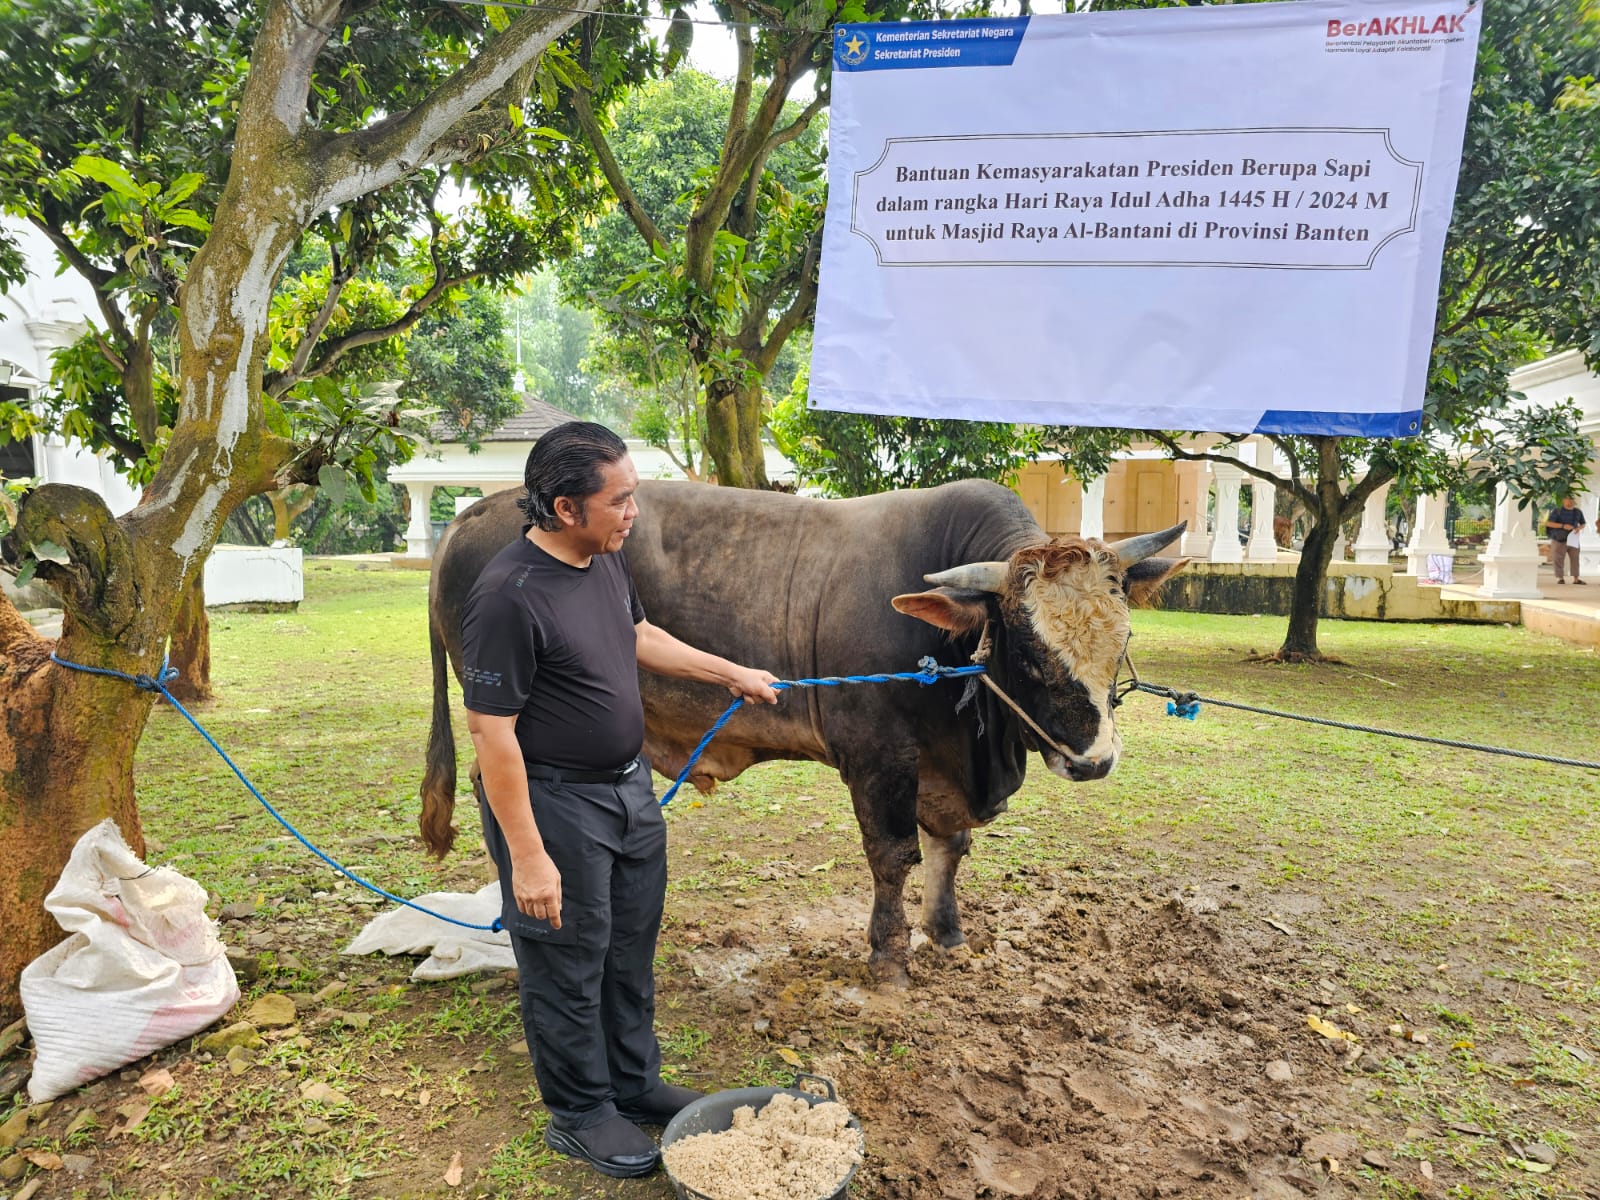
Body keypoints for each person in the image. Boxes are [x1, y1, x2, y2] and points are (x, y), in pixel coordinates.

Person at [459, 422, 779, 1178]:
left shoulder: (602, 558)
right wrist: (529, 857)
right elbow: (490, 732)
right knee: (567, 962)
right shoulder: (507, 596)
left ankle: (632, 1082)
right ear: (567, 508)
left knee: (627, 950)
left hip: (628, 793)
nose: (633, 512)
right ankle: (580, 1112)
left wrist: (728, 671)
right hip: (554, 804)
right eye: (620, 500)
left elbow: (639, 633)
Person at [1544, 494, 1587, 585]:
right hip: (1559, 539)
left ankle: (1576, 579)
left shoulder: (1577, 512)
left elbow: (1583, 523)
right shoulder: (1557, 511)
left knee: (1575, 559)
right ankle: (1560, 578)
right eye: (1568, 499)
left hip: (1573, 539)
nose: (1570, 501)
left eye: (1571, 499)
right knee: (1558, 559)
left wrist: (1579, 528)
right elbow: (1548, 523)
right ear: (1563, 500)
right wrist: (1563, 526)